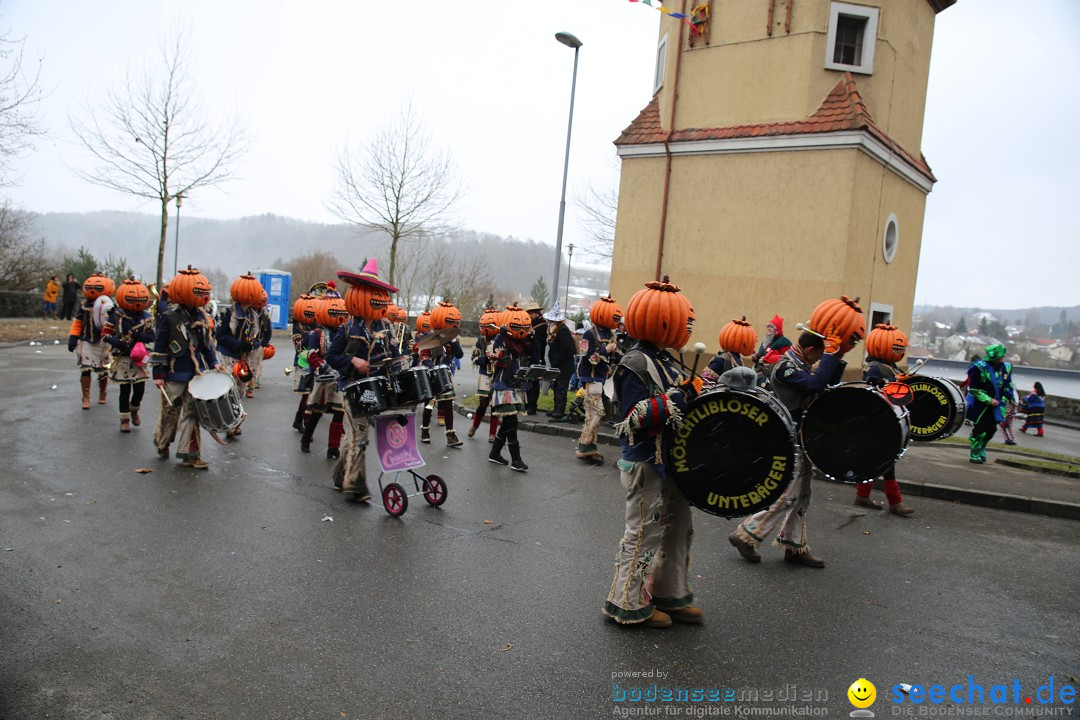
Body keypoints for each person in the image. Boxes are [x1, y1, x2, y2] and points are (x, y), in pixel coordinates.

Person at [603, 277, 701, 629]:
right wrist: (679, 399)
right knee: (643, 533)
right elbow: (632, 418)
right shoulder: (634, 362)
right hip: (645, 461)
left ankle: (669, 593)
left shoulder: (665, 359)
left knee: (678, 529)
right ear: (661, 320)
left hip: (671, 461)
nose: (687, 324)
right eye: (681, 318)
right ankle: (626, 602)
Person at [729, 329, 849, 568]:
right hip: (787, 440)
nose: (818, 361)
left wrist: (838, 355)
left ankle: (794, 545)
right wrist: (830, 357)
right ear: (810, 349)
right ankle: (746, 534)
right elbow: (815, 385)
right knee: (787, 494)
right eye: (819, 355)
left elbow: (826, 385)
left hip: (800, 439)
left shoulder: (800, 365)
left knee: (803, 495)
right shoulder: (785, 367)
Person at [325, 259, 399, 501]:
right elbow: (332, 356)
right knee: (360, 436)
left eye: (382, 295)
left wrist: (398, 366)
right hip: (352, 390)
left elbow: (396, 357)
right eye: (372, 294)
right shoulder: (347, 329)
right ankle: (355, 485)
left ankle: (339, 475)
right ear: (358, 296)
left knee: (354, 436)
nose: (379, 299)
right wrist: (353, 362)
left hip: (377, 390)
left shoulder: (386, 328)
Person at [151, 269, 221, 469]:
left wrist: (214, 362)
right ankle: (162, 442)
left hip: (195, 375)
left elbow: (208, 346)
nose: (202, 296)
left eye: (204, 292)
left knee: (193, 415)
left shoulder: (204, 317)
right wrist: (158, 374)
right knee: (170, 414)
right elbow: (159, 346)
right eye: (198, 292)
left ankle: (191, 455)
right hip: (173, 374)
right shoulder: (168, 317)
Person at [854, 335, 915, 516]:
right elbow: (872, 386)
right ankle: (895, 502)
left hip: (888, 418)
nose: (899, 349)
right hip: (878, 419)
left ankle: (863, 496)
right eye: (896, 346)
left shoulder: (890, 367)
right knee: (887, 459)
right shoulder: (875, 367)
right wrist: (886, 383)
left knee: (877, 459)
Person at [300, 290, 349, 458]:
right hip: (323, 378)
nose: (339, 315)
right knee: (317, 411)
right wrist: (323, 367)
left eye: (342, 312)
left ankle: (333, 448)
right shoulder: (317, 334)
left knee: (338, 412)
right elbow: (311, 355)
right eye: (334, 312)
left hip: (339, 379)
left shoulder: (343, 333)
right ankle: (306, 439)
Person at [104, 279, 155, 433]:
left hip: (139, 357)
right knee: (124, 389)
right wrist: (117, 342)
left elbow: (152, 337)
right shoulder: (116, 316)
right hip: (123, 357)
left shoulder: (146, 317)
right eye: (132, 297)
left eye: (141, 297)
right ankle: (124, 419)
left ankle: (134, 409)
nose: (137, 300)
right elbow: (105, 334)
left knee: (139, 388)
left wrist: (139, 336)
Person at [488, 312, 533, 472]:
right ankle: (516, 459)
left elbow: (535, 356)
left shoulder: (523, 344)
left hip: (516, 387)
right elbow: (493, 354)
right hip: (503, 386)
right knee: (512, 423)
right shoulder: (501, 341)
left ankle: (494, 453)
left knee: (508, 423)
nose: (521, 328)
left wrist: (533, 339)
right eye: (516, 325)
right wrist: (500, 335)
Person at [575, 311, 622, 466]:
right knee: (597, 411)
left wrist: (620, 357)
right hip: (590, 378)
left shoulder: (610, 334)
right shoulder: (589, 334)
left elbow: (613, 357)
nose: (616, 319)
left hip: (602, 379)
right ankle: (586, 445)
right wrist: (606, 350)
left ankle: (587, 445)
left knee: (593, 413)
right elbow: (586, 358)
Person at [414, 320, 464, 447]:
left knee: (448, 405)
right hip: (432, 375)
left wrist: (453, 340)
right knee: (430, 405)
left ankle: (450, 436)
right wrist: (432, 366)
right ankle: (425, 431)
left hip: (446, 375)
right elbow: (423, 356)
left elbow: (460, 354)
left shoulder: (451, 340)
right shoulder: (429, 338)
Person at [964, 344, 1015, 464]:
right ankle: (974, 451)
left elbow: (1008, 384)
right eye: (1000, 357)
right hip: (981, 406)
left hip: (998, 406)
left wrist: (1008, 397)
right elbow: (973, 389)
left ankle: (982, 447)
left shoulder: (1006, 368)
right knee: (981, 429)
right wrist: (989, 400)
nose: (1002, 359)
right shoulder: (978, 368)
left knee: (991, 430)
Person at [67, 278, 112, 410]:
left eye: (98, 288)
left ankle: (102, 393)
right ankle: (85, 396)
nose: (93, 290)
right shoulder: (84, 306)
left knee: (103, 369)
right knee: (86, 368)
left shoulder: (110, 306)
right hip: (87, 340)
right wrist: (73, 338)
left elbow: (115, 324)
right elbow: (77, 323)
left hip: (104, 342)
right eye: (90, 287)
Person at [467, 307, 500, 443]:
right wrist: (486, 358)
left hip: (498, 375)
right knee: (483, 404)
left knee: (495, 406)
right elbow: (474, 359)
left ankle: (492, 434)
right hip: (485, 375)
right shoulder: (480, 341)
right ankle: (475, 426)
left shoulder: (501, 340)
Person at [543, 301, 576, 422]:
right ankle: (556, 409)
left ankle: (559, 411)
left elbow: (567, 349)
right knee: (556, 387)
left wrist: (557, 359)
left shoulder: (563, 330)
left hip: (563, 366)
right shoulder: (554, 330)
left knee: (561, 388)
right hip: (558, 365)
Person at [750, 314, 792, 385]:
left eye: (771, 327)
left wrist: (769, 359)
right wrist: (756, 357)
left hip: (770, 376)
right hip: (758, 373)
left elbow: (785, 360)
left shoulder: (784, 342)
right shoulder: (766, 341)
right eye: (768, 326)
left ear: (777, 329)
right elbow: (761, 355)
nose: (769, 328)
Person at [522, 300, 546, 415]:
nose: (530, 316)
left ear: (537, 313)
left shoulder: (542, 326)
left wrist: (531, 336)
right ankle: (526, 404)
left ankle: (532, 406)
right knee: (527, 381)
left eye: (532, 313)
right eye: (529, 313)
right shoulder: (529, 325)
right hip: (528, 357)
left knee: (534, 382)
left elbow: (539, 342)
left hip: (537, 357)